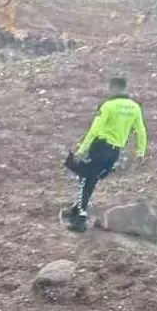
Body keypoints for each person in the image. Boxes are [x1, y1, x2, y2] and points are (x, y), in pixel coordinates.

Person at [63, 76, 149, 231]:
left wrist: (81, 149)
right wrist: (140, 152)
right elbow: (141, 131)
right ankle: (77, 208)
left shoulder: (108, 106)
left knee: (85, 177)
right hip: (114, 153)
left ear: (114, 88)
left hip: (100, 147)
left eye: (110, 88)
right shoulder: (135, 107)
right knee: (91, 177)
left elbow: (95, 130)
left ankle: (80, 218)